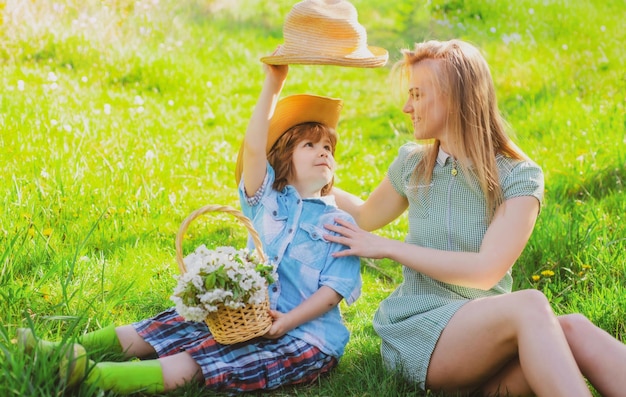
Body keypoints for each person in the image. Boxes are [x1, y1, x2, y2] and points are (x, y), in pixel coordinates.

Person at [17, 59, 361, 394]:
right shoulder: (268, 200)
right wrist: (273, 85)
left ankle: (96, 378)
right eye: (310, 145)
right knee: (170, 323)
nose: (323, 153)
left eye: (328, 147)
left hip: (306, 337)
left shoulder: (339, 223)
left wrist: (288, 320)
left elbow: (333, 291)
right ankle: (61, 349)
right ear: (285, 157)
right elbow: (254, 150)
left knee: (208, 359)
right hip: (243, 317)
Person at [323, 38, 626, 397]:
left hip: (488, 348)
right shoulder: (412, 163)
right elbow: (362, 215)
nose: (407, 107)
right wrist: (304, 178)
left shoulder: (518, 176)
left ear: (454, 98)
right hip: (420, 332)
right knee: (531, 307)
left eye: (418, 95)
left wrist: (389, 248)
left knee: (573, 328)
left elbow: (486, 272)